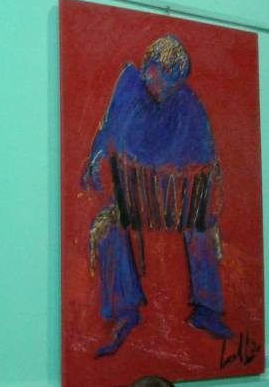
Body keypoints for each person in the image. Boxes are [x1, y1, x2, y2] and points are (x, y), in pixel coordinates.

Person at [82, 35, 232, 357]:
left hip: (174, 201)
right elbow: (107, 131)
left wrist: (187, 182)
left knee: (202, 227)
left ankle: (206, 309)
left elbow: (208, 158)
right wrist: (96, 160)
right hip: (133, 199)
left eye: (172, 82)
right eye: (160, 75)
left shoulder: (187, 101)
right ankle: (125, 310)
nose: (164, 86)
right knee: (108, 228)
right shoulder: (128, 85)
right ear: (149, 67)